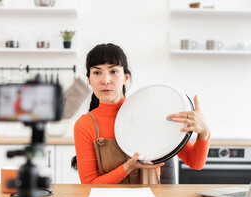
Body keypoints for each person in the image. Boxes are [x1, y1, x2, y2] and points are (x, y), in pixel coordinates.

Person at [72, 43, 210, 184]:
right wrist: (127, 167)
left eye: (113, 71)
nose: (105, 80)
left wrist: (204, 132)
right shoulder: (85, 125)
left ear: (126, 77)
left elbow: (195, 163)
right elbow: (89, 185)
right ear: (89, 79)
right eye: (97, 72)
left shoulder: (150, 111)